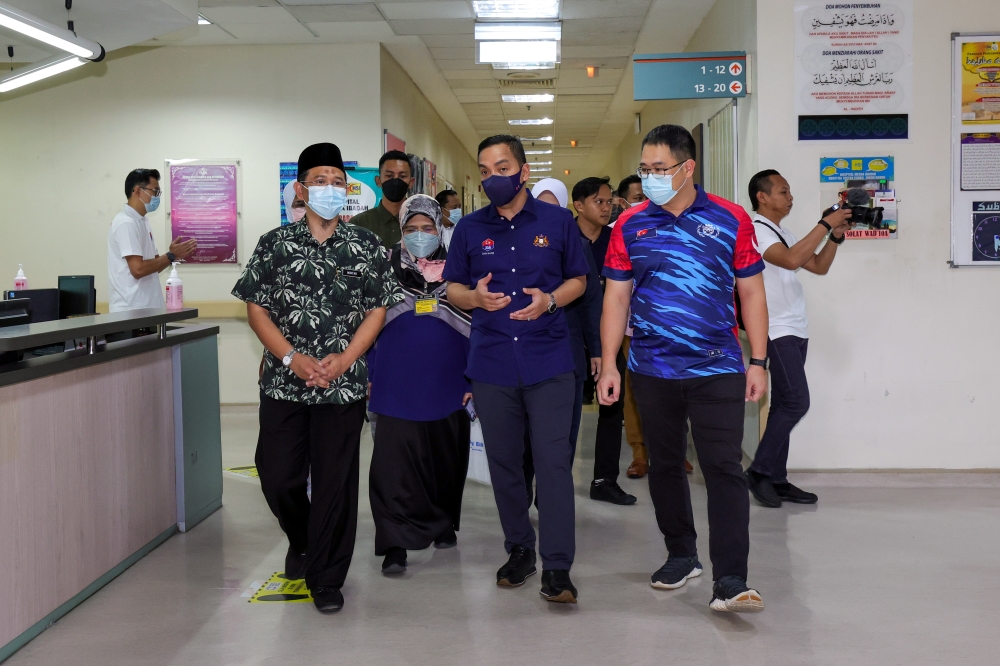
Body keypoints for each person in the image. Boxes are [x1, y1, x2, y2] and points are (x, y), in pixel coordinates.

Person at [597, 124, 769, 613]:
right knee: (665, 466)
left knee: (723, 467)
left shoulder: (731, 218)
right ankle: (681, 554)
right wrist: (609, 363)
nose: (650, 178)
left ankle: (732, 578)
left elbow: (752, 291)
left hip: (717, 365)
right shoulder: (629, 225)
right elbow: (616, 296)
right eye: (644, 170)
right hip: (651, 367)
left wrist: (757, 358)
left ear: (687, 167)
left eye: (659, 169)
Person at [232, 142, 402, 614]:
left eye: (336, 179)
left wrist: (346, 358)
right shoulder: (275, 243)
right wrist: (291, 359)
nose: (328, 187)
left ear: (347, 190)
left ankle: (327, 577)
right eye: (318, 179)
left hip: (342, 384)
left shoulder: (365, 244)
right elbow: (255, 308)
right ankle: (304, 537)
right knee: (278, 476)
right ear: (302, 189)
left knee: (335, 482)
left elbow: (378, 308)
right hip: (286, 383)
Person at [444, 134, 589, 604]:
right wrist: (475, 298)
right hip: (491, 363)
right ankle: (519, 549)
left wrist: (550, 300)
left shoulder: (558, 221)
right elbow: (453, 290)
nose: (493, 178)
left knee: (552, 464)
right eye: (485, 171)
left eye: (502, 168)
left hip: (549, 360)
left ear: (523, 172)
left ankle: (559, 566)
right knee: (505, 464)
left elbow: (579, 281)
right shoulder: (468, 228)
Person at [367, 194, 473, 575]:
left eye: (427, 229)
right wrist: (368, 372)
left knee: (445, 459)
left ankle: (442, 521)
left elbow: (476, 325)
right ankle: (394, 542)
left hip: (449, 380)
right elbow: (366, 325)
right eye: (411, 230)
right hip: (395, 380)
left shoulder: (459, 268)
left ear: (439, 227)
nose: (419, 236)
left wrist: (474, 376)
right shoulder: (384, 267)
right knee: (392, 466)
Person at [744, 169, 851, 508]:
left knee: (782, 405)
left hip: (795, 327)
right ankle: (759, 472)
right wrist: (823, 224)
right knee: (796, 402)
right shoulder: (756, 230)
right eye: (782, 191)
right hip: (776, 329)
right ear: (762, 197)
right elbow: (790, 261)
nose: (790, 197)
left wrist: (833, 236)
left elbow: (817, 265)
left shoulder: (782, 230)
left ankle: (777, 478)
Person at [572, 176, 636, 506]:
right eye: (600, 201)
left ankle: (604, 479)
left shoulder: (616, 239)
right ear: (578, 205)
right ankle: (550, 487)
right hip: (569, 337)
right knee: (563, 415)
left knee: (611, 407)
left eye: (610, 201)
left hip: (607, 338)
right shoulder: (563, 239)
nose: (607, 207)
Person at [107, 168, 197, 313]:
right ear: (137, 191)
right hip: (131, 311)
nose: (157, 197)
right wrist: (170, 255)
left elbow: (154, 265)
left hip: (147, 308)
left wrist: (172, 255)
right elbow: (138, 269)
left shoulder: (142, 221)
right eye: (155, 191)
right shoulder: (126, 223)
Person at [350, 150, 413, 249]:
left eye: (402, 176)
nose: (396, 181)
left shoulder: (420, 222)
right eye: (389, 176)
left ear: (411, 182)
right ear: (378, 181)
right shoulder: (358, 224)